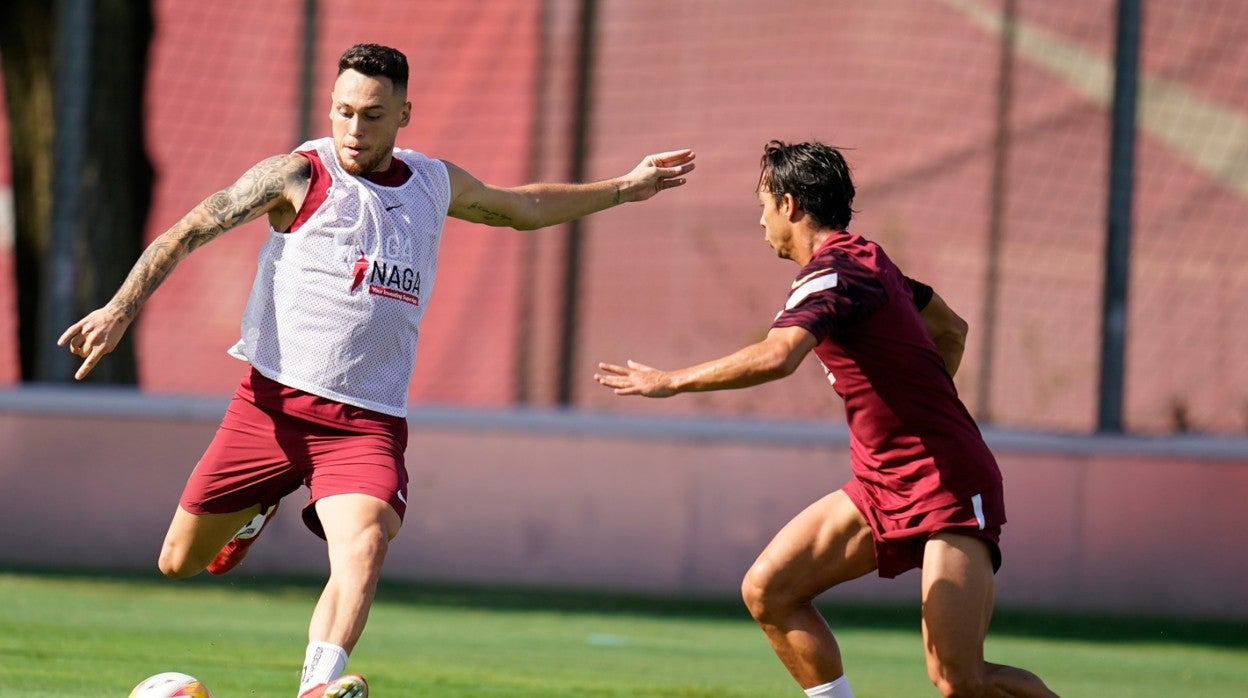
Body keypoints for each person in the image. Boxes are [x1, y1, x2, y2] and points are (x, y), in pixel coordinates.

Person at [58, 43, 694, 698]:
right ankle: (256, 509)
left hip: (365, 427)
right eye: (343, 112)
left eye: (372, 115)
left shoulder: (432, 182)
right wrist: (120, 307)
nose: (354, 130)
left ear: (404, 114)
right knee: (179, 561)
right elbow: (189, 230)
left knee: (363, 543)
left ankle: (317, 685)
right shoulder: (297, 175)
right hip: (269, 410)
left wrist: (624, 188)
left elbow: (521, 207)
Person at [594, 141, 1057, 698]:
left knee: (959, 679)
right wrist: (917, 408)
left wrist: (669, 381)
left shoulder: (833, 275)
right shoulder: (870, 260)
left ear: (789, 205)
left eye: (763, 202)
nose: (759, 217)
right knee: (770, 590)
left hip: (948, 485)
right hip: (883, 483)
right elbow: (951, 330)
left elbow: (777, 355)